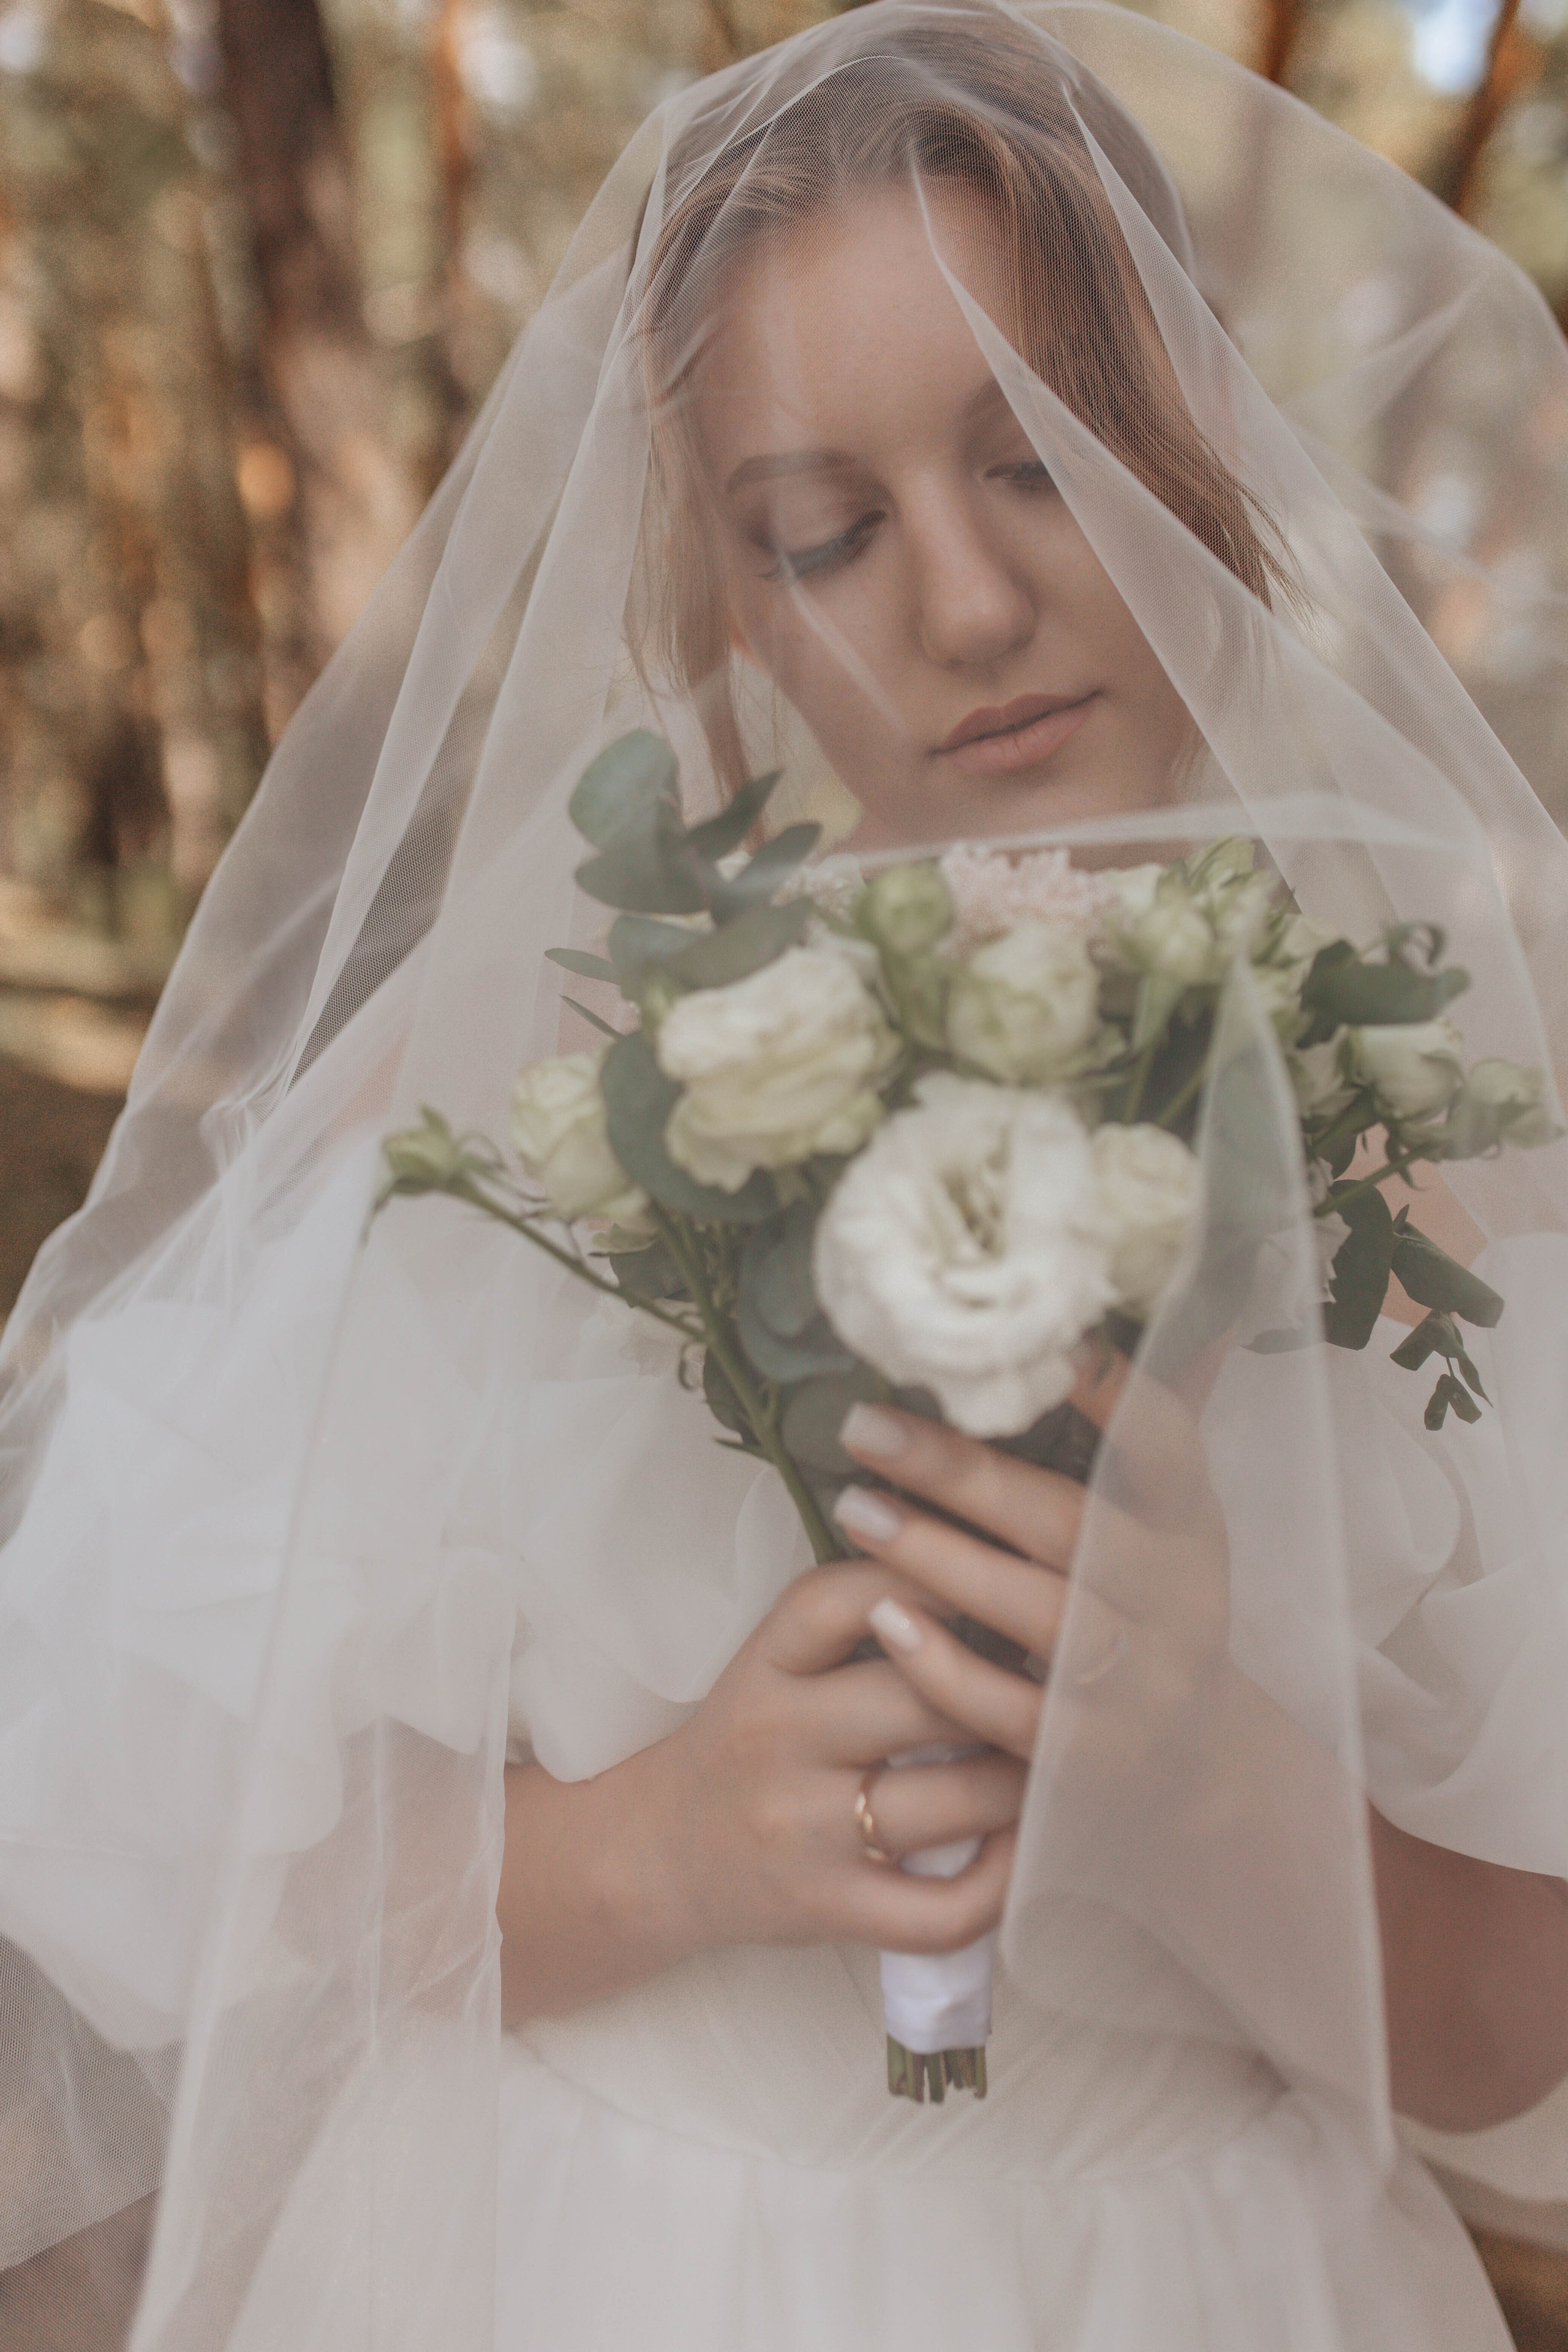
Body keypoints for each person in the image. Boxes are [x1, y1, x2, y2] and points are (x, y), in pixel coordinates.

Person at [4, 7, 1568, 2348]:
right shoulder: (530, 1103)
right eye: (826, 532)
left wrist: (1192, 1783)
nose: (966, 604)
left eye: (1036, 463)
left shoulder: (1417, 1168)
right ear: (735, 603)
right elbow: (190, 1828)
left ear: (1190, 448)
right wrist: (654, 1846)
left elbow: (1509, 2023)